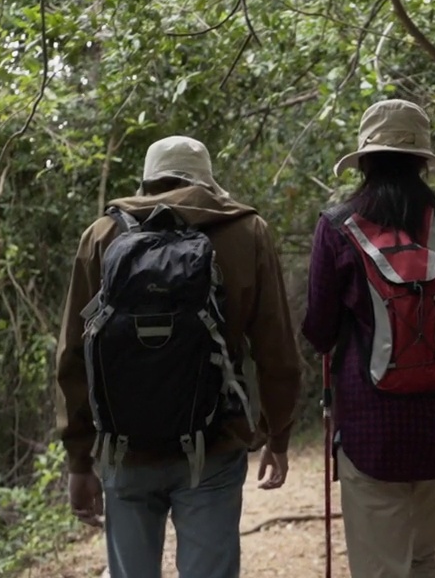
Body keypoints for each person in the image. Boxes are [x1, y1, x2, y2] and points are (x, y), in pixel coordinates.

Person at [55, 135, 301, 578]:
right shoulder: (247, 233)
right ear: (208, 183)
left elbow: (73, 355)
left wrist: (78, 460)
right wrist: (276, 433)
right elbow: (276, 349)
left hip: (123, 451)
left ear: (147, 182)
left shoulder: (102, 235)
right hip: (214, 445)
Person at [301, 99, 435, 578]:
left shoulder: (337, 228)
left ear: (365, 159)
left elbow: (320, 331)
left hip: (372, 428)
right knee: (422, 555)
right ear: (422, 160)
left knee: (381, 568)